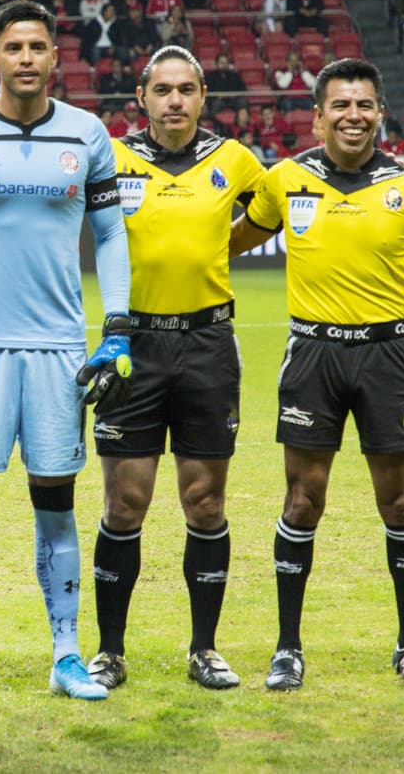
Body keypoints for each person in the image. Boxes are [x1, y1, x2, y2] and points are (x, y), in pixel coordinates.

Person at [0, 0, 131, 708]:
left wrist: (117, 327)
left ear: (54, 56)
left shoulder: (88, 133)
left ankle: (67, 652)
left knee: (56, 504)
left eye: (40, 44)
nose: (29, 57)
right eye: (15, 46)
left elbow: (111, 235)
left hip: (59, 349)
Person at [229, 58, 404, 691]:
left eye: (364, 105)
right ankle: (287, 649)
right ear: (318, 115)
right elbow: (231, 239)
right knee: (302, 502)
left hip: (388, 356)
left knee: (401, 502)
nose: (353, 116)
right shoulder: (286, 179)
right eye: (340, 105)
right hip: (313, 356)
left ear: (380, 113)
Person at [84, 46, 267, 693]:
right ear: (142, 96)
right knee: (125, 502)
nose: (175, 101)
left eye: (186, 89)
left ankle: (204, 648)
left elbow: (266, 211)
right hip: (133, 349)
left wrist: (224, 242)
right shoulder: (113, 156)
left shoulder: (234, 159)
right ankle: (109, 651)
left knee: (204, 501)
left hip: (208, 347)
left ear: (203, 95)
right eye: (162, 89)